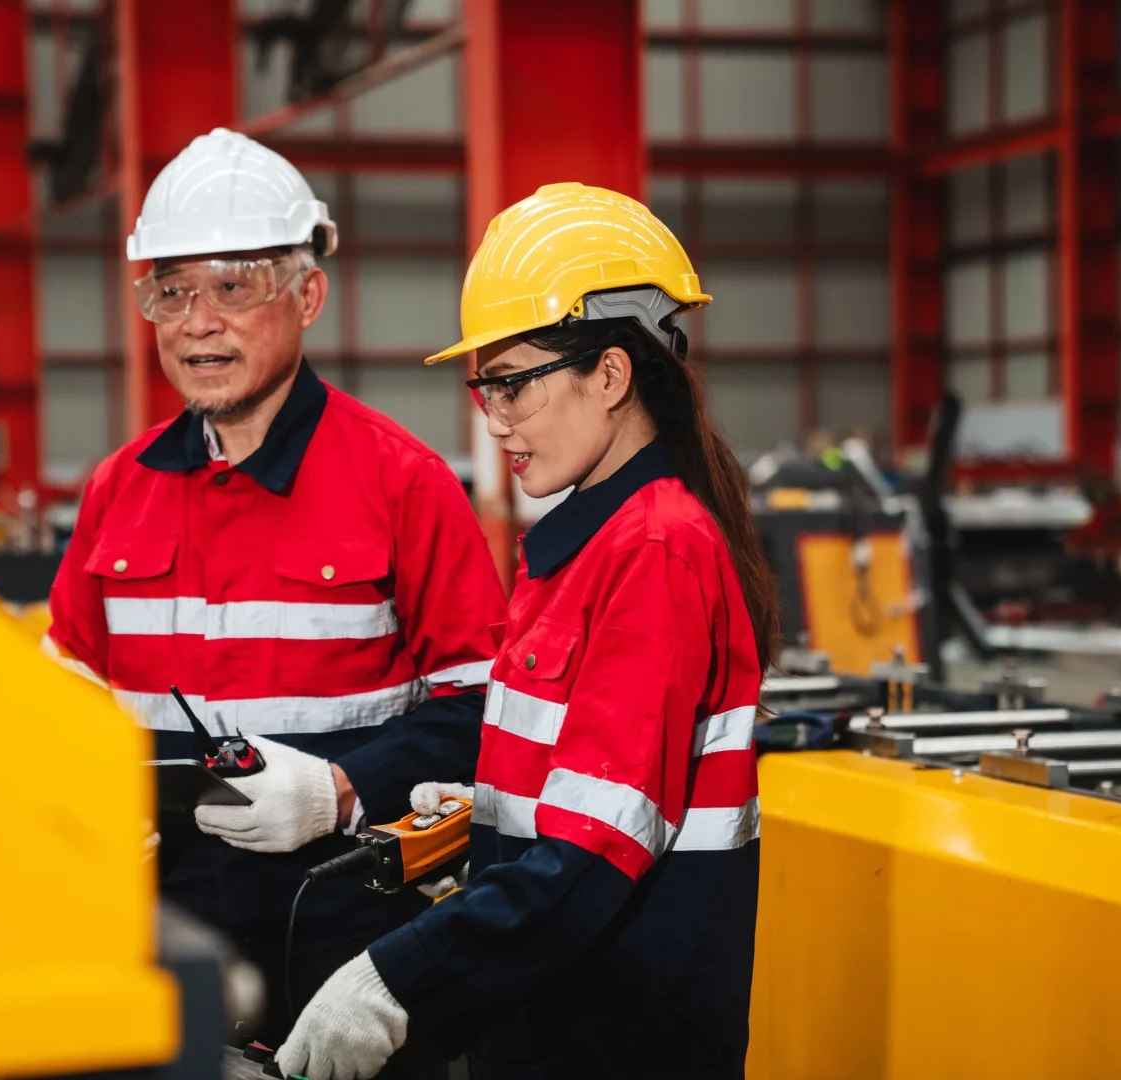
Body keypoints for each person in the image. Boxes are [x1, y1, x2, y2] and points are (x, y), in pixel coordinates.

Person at [276, 182, 779, 1079]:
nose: (493, 417)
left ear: (612, 375)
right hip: (553, 1019)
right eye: (484, 387)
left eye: (513, 383)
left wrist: (396, 980)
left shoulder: (655, 550)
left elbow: (594, 853)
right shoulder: (582, 549)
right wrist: (492, 817)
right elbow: (596, 789)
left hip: (621, 1041)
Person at [42, 128, 506, 1062]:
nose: (197, 321)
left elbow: (484, 707)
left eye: (232, 283)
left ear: (307, 294)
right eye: (171, 291)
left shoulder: (402, 484)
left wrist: (341, 790)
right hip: (156, 938)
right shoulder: (115, 491)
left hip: (341, 940)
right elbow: (62, 695)